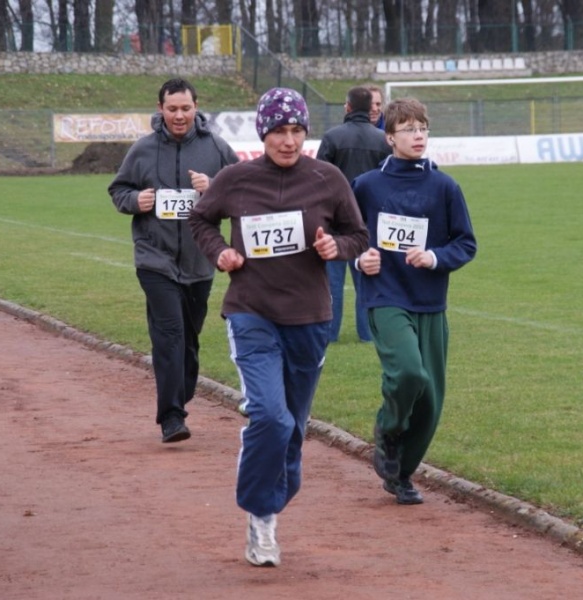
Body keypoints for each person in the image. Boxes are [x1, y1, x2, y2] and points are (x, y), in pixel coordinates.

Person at [188, 87, 368, 567]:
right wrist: (220, 253)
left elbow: (358, 233)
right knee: (271, 415)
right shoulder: (236, 179)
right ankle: (260, 516)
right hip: (252, 311)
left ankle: (272, 494)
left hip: (309, 317)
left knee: (294, 426)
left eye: (296, 131)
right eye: (278, 132)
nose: (288, 141)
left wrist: (338, 248)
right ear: (263, 132)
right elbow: (201, 219)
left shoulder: (327, 178)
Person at [352, 98, 477, 506]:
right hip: (385, 296)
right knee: (409, 374)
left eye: (422, 127)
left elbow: (465, 242)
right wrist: (360, 256)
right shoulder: (367, 186)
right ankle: (388, 430)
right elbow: (347, 234)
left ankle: (400, 474)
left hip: (430, 301)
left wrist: (436, 256)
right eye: (408, 128)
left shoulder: (444, 186)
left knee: (431, 401)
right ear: (389, 137)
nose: (418, 135)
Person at [108, 78, 238, 444]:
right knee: (170, 334)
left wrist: (213, 187)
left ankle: (180, 395)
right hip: (154, 259)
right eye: (172, 109)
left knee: (190, 338)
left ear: (196, 107)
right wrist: (136, 202)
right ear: (160, 108)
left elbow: (242, 192)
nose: (179, 115)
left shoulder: (216, 147)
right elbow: (118, 189)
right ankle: (171, 417)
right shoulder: (143, 149)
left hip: (200, 261)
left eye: (185, 108)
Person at [317, 86, 391, 343]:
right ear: (370, 107)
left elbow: (319, 182)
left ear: (347, 107)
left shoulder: (332, 137)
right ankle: (367, 333)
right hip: (368, 225)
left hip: (335, 225)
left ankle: (330, 334)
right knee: (366, 282)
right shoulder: (383, 139)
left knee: (332, 285)